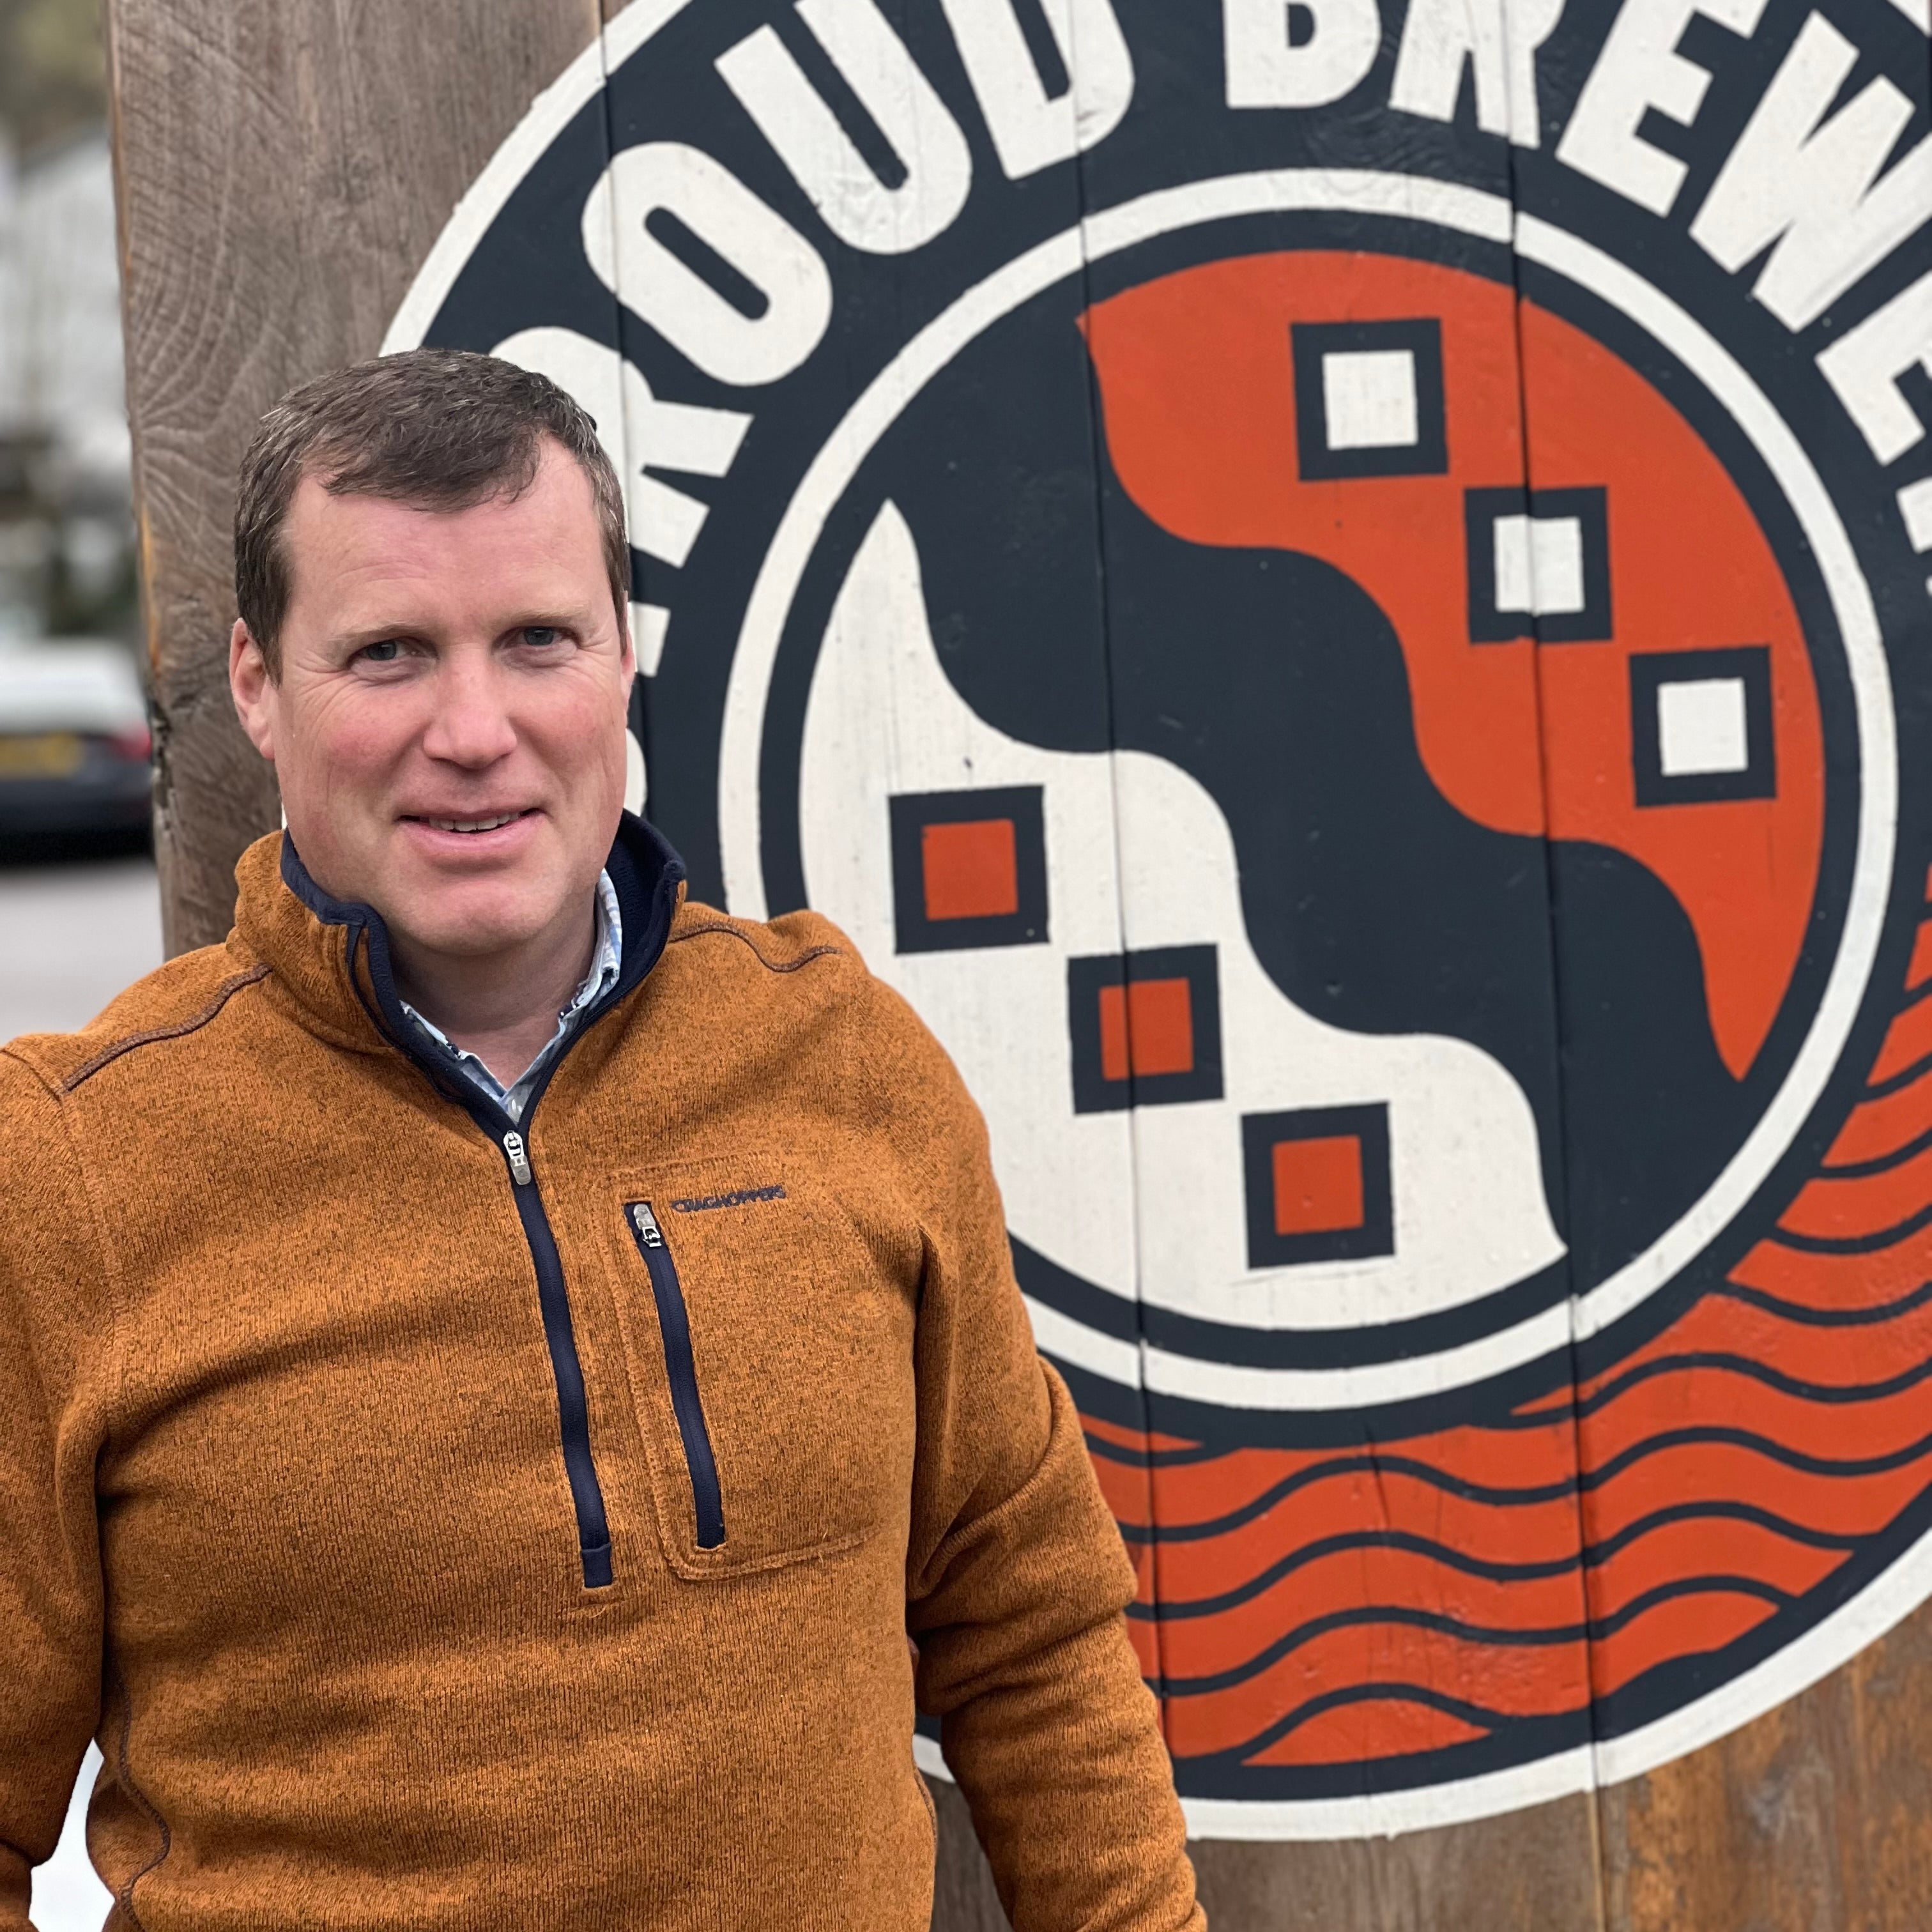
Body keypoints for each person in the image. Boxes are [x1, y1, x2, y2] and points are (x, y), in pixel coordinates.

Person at [0, 350, 1204, 1929]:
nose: (475, 728)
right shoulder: (69, 1171)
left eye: (537, 640)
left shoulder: (841, 1057)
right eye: (388, 654)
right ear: (254, 683)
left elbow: (1032, 1632)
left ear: (622, 659)